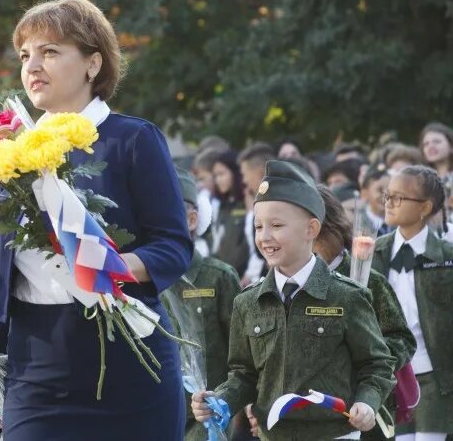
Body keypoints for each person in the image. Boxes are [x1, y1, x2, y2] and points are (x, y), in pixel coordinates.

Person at [0, 0, 192, 440]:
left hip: (132, 369)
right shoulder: (10, 155)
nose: (32, 66)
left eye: (50, 52)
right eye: (25, 55)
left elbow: (172, 247)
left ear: (93, 64)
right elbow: (2, 282)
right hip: (37, 374)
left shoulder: (133, 139)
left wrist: (108, 268)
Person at [192, 160, 395, 440]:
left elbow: (377, 364)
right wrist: (220, 400)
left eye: (276, 225)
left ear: (311, 229)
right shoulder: (248, 302)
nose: (265, 237)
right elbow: (243, 374)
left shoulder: (347, 296)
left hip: (334, 434)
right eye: (258, 226)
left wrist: (367, 402)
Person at [313, 185, 417, 441]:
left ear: (328, 227)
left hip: (368, 411)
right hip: (312, 415)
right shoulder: (290, 283)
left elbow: (402, 339)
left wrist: (366, 361)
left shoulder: (367, 279)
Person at [370, 166, 453, 440]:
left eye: (399, 198)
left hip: (436, 375)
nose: (389, 203)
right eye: (387, 195)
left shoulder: (446, 255)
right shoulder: (373, 251)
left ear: (424, 207)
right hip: (391, 374)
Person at [165, 169, 241, 441]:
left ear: (192, 219)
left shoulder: (218, 277)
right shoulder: (139, 280)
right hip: (156, 416)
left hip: (207, 421)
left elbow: (242, 356)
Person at [238, 142, 276, 284]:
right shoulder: (257, 204)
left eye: (245, 174)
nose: (244, 181)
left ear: (260, 172)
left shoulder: (277, 206)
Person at [211, 149, 249, 277]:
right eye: (215, 176)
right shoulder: (222, 206)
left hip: (247, 277)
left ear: (235, 173)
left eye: (222, 174)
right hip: (226, 276)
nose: (218, 180)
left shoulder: (248, 202)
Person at [361, 163, 393, 237]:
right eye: (380, 190)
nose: (386, 195)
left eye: (390, 190)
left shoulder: (400, 224)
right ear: (364, 194)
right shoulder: (356, 224)